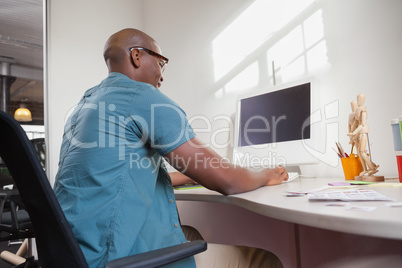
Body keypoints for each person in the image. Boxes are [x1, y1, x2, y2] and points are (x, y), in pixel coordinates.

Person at [54, 28, 287, 268]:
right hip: (111, 258)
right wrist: (264, 174)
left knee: (191, 233)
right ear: (137, 56)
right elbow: (227, 181)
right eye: (160, 62)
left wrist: (189, 174)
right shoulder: (141, 96)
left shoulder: (84, 107)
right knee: (265, 261)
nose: (162, 76)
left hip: (73, 252)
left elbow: (111, 178)